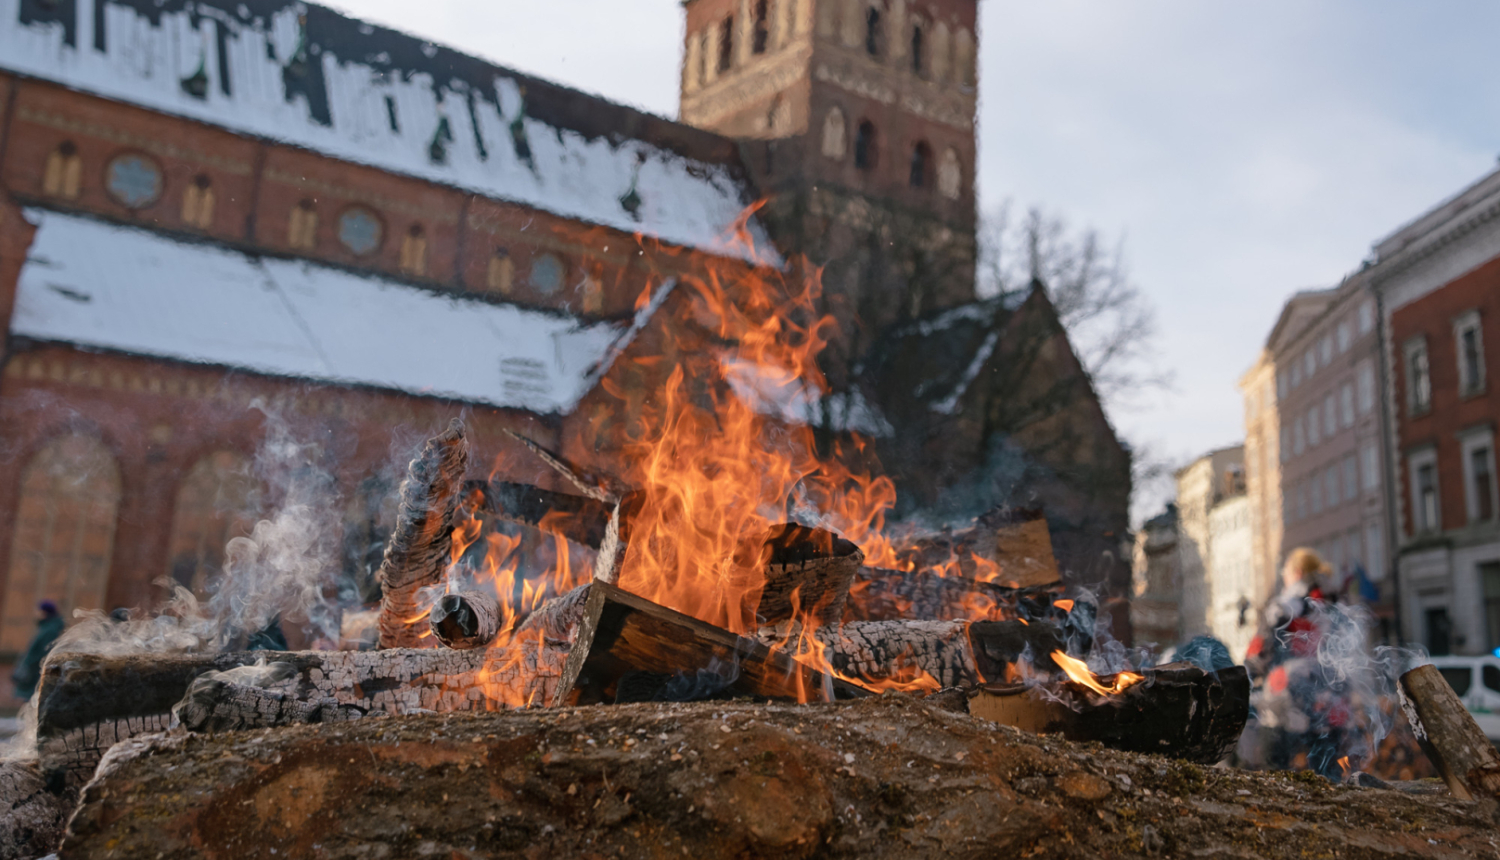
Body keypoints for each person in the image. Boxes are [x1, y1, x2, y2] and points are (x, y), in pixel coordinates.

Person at [12, 601, 65, 701]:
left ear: (44, 612)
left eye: (38, 610)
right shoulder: (45, 628)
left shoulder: (50, 630)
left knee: (33, 698)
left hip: (36, 671)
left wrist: (30, 663)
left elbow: (44, 652)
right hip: (33, 670)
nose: (36, 613)